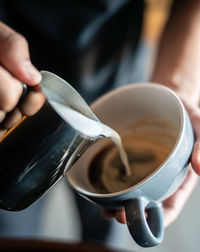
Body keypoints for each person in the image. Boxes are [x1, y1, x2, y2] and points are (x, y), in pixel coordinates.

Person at [0, 0, 199, 248]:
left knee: (104, 226)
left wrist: (177, 88)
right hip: (12, 94)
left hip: (117, 69)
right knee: (11, 216)